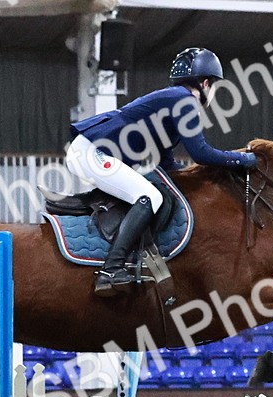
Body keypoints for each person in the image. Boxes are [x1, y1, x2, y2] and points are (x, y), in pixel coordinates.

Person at [65, 47, 258, 297]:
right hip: (92, 152)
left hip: (93, 150)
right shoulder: (184, 101)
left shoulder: (175, 100)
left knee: (151, 192)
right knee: (150, 197)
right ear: (206, 83)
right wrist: (243, 159)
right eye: (214, 87)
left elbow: (167, 162)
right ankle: (111, 270)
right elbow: (200, 153)